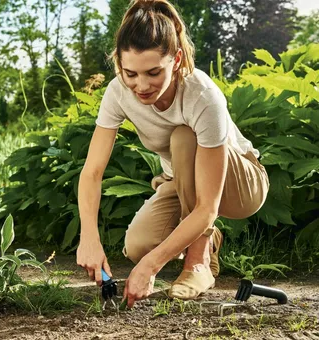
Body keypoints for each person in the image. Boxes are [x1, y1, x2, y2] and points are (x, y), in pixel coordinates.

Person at [76, 0, 269, 309]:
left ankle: (198, 261)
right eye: (130, 73)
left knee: (182, 135)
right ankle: (209, 241)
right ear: (118, 64)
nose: (141, 85)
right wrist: (89, 236)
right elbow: (92, 171)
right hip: (181, 178)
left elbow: (207, 207)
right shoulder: (117, 93)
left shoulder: (202, 95)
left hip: (242, 183)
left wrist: (153, 267)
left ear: (176, 59)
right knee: (138, 246)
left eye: (153, 72)